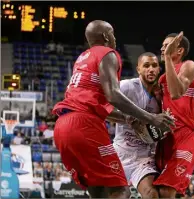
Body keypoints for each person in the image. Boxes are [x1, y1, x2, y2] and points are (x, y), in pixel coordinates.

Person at [52, 20, 174, 198]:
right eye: (112, 33)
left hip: (63, 127)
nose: (115, 38)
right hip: (85, 126)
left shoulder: (83, 57)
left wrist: (128, 119)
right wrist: (151, 118)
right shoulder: (108, 53)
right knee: (120, 191)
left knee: (98, 190)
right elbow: (113, 96)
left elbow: (100, 105)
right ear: (105, 36)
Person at [153, 32, 194, 198]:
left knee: (167, 190)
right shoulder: (161, 79)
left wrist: (167, 57)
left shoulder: (188, 66)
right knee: (156, 192)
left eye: (166, 46)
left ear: (179, 50)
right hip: (167, 137)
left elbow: (175, 93)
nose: (162, 48)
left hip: (187, 136)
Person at [113, 52, 161, 198]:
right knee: (120, 195)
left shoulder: (160, 97)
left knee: (151, 193)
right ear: (138, 69)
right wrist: (128, 119)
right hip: (121, 153)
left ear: (159, 69)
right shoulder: (127, 86)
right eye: (146, 66)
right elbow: (100, 107)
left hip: (143, 158)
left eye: (154, 66)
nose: (151, 69)